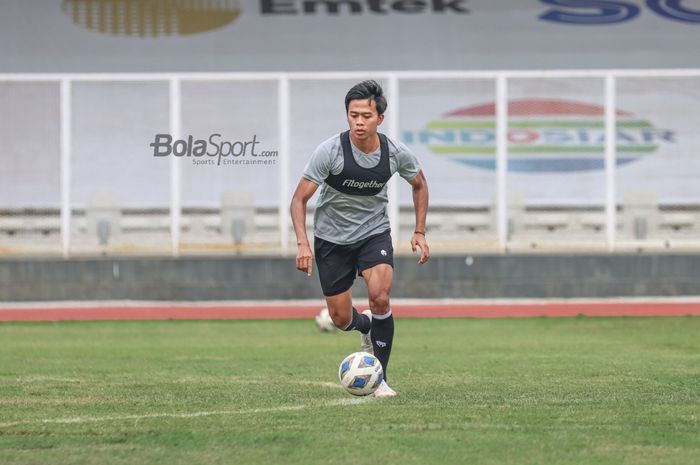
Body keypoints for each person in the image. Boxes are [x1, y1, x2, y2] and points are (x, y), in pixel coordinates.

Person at [290, 80, 429, 398]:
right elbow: (299, 199)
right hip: (331, 239)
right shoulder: (330, 152)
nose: (358, 122)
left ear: (380, 117)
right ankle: (365, 325)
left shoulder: (394, 153)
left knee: (380, 296)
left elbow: (419, 184)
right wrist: (302, 243)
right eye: (353, 115)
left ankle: (380, 379)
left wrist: (419, 231)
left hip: (372, 233)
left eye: (365, 115)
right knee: (340, 318)